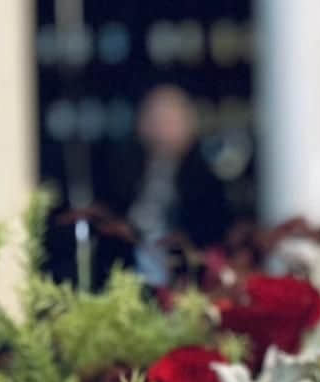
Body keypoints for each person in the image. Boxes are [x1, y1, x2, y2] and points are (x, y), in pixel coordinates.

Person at [92, 85, 233, 287]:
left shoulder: (205, 181)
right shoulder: (123, 171)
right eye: (155, 120)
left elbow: (210, 234)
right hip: (128, 268)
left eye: (169, 121)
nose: (161, 130)